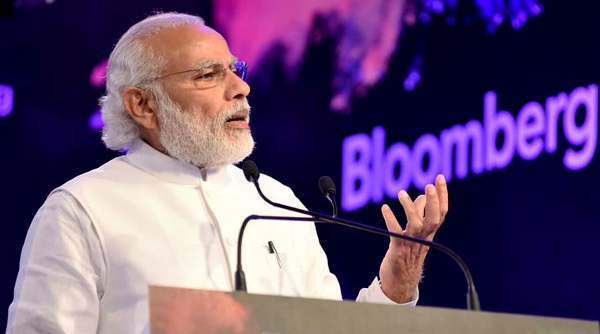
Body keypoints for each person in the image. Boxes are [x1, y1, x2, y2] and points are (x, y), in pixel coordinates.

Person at [6, 12, 448, 333]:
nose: (241, 88)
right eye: (207, 75)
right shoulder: (82, 210)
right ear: (142, 104)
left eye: (234, 70)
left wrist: (396, 284)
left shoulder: (275, 199)